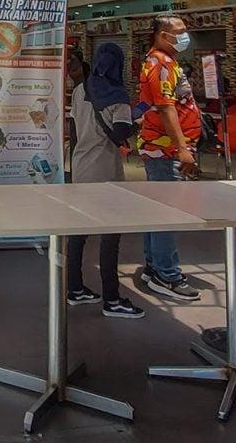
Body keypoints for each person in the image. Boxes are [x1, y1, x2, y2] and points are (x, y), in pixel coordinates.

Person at [67, 43, 144, 318]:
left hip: (81, 166)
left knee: (78, 231)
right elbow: (122, 132)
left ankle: (74, 288)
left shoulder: (80, 90)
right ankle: (112, 299)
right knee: (111, 235)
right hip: (106, 172)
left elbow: (75, 127)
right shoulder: (118, 96)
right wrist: (140, 120)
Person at [136, 15, 202, 301]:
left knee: (158, 210)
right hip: (164, 151)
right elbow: (166, 109)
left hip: (164, 149)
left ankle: (155, 266)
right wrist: (183, 147)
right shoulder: (160, 65)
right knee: (167, 212)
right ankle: (167, 274)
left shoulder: (166, 62)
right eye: (180, 32)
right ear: (163, 35)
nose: (184, 36)